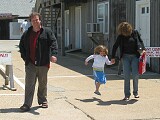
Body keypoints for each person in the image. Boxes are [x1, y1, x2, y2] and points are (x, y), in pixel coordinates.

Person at [19, 12, 58, 112]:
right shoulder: (27, 33)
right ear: (30, 22)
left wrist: (53, 54)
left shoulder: (47, 32)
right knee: (29, 84)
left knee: (42, 83)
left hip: (43, 63)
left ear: (40, 20)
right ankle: (27, 104)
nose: (35, 22)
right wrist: (25, 58)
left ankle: (43, 101)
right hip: (30, 64)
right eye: (33, 20)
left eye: (37, 20)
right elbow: (21, 46)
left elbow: (53, 42)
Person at [111, 22, 145, 101]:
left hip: (135, 57)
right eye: (123, 32)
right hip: (125, 57)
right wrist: (112, 57)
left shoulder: (135, 33)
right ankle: (127, 94)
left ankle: (135, 92)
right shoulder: (120, 36)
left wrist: (143, 50)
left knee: (135, 75)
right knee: (126, 76)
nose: (125, 34)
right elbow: (115, 46)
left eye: (126, 32)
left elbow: (141, 41)